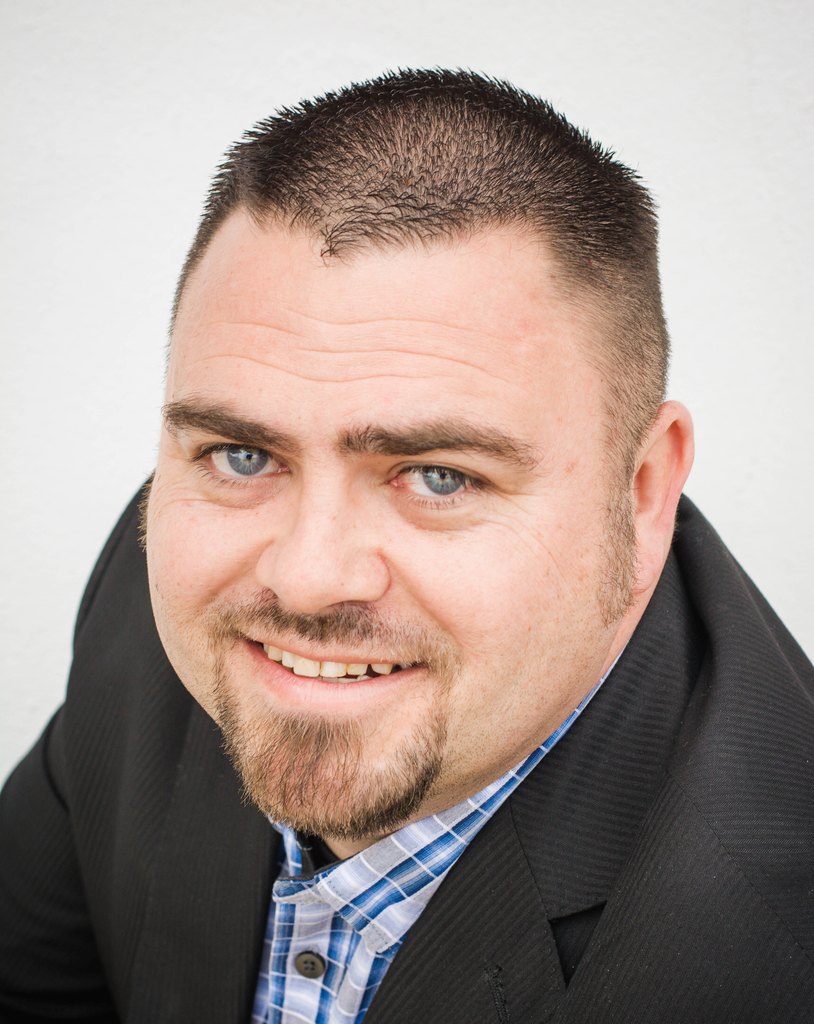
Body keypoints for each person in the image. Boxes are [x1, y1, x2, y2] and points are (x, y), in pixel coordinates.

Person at [1, 69, 812, 1024]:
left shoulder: (767, 949)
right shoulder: (156, 602)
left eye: (437, 475)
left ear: (641, 494)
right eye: (242, 454)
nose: (305, 577)